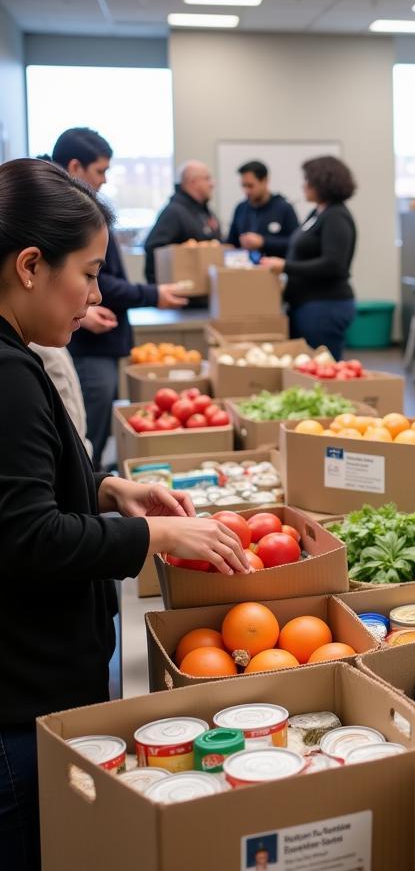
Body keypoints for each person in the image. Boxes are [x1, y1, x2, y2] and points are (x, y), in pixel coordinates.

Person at [0, 158, 249, 871]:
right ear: (29, 266)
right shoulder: (9, 375)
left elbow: (22, 489)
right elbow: (24, 536)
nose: (97, 292)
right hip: (21, 701)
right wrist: (155, 533)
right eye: (89, 270)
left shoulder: (17, 356)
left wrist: (107, 490)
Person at [51, 128, 187, 465]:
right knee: (82, 433)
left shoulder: (79, 210)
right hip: (83, 344)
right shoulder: (60, 214)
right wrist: (152, 294)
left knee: (87, 433)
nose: (105, 180)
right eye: (100, 171)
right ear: (74, 166)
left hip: (89, 339)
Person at [260, 156, 357, 358]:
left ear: (322, 183)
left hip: (325, 306)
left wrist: (286, 266)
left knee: (321, 372)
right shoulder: (317, 213)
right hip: (306, 305)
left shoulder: (336, 216)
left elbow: (334, 264)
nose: (303, 185)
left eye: (307, 180)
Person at [143, 160, 222, 284]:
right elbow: (155, 249)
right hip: (183, 295)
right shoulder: (174, 212)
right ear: (193, 182)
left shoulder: (204, 211)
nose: (212, 183)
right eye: (207, 178)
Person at [227, 160, 298, 258]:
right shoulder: (241, 208)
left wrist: (264, 242)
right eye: (244, 186)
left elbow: (295, 243)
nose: (246, 190)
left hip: (275, 270)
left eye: (251, 186)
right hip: (245, 269)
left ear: (265, 181)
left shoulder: (284, 208)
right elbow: (232, 241)